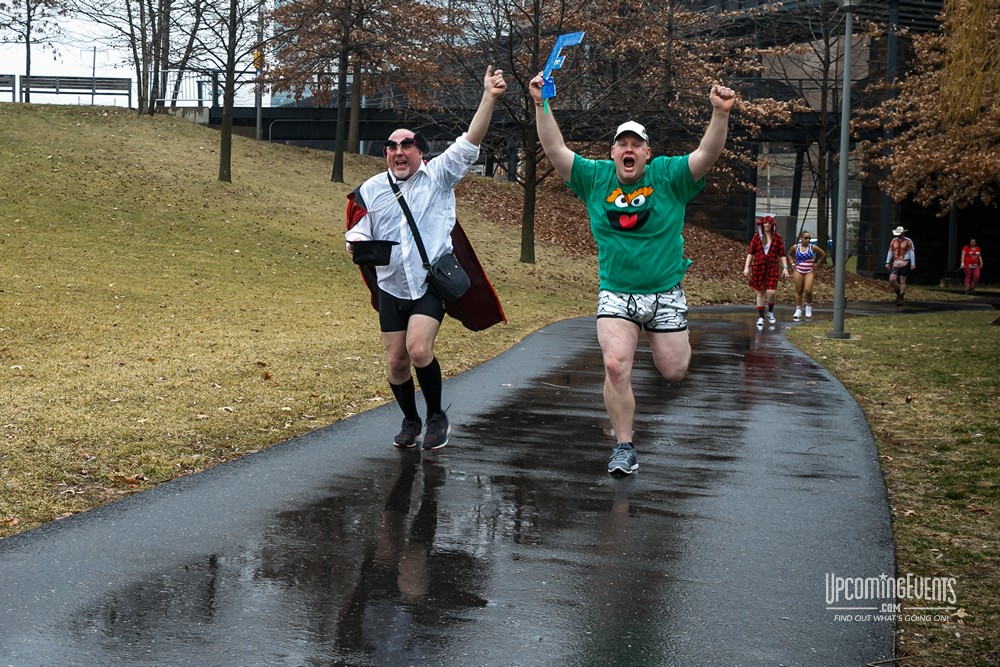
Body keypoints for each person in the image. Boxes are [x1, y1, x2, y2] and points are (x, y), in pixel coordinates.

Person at [528, 71, 736, 476]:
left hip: (665, 292)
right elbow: (554, 148)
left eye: (635, 144)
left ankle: (667, 340)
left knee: (673, 370)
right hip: (617, 294)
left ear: (646, 153)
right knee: (615, 365)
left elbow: (706, 154)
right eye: (622, 143)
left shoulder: (669, 176)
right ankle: (623, 446)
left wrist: (720, 114)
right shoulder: (593, 178)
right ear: (612, 153)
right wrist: (541, 102)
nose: (629, 149)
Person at [345, 66, 507, 450]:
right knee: (396, 361)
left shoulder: (439, 176)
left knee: (418, 349)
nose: (399, 152)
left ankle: (436, 414)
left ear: (420, 151)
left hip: (428, 283)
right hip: (391, 284)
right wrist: (355, 240)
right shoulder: (371, 189)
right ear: (385, 153)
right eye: (392, 146)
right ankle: (410, 419)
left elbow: (470, 141)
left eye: (407, 145)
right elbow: (360, 226)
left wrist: (489, 97)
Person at [743, 215, 790, 326]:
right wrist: (746, 266)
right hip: (759, 266)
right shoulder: (757, 237)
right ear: (761, 225)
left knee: (771, 291)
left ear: (773, 225)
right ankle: (760, 317)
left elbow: (782, 254)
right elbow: (751, 252)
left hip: (772, 266)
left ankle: (770, 312)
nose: (767, 225)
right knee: (760, 292)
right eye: (765, 223)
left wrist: (785, 268)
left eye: (769, 223)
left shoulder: (777, 238)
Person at [787, 229, 826, 320]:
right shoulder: (795, 247)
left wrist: (817, 264)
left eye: (809, 238)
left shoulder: (812, 247)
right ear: (801, 238)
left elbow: (823, 254)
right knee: (799, 290)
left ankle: (808, 306)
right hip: (798, 270)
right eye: (806, 238)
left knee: (808, 290)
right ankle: (798, 310)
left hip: (809, 270)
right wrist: (792, 262)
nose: (807, 240)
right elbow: (789, 254)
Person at [885, 225, 916, 305]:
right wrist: (887, 262)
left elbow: (911, 252)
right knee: (892, 279)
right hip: (896, 262)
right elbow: (890, 251)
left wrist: (913, 263)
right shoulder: (893, 241)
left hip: (905, 262)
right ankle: (899, 292)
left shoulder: (908, 241)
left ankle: (901, 298)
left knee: (902, 280)